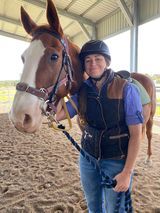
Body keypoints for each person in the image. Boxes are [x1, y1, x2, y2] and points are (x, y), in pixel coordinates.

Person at [56, 40, 143, 212]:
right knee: (93, 206)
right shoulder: (82, 91)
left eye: (98, 59)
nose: (93, 63)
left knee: (115, 209)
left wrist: (127, 173)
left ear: (107, 62)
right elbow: (58, 114)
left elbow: (136, 135)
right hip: (88, 159)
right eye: (88, 60)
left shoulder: (127, 89)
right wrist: (59, 85)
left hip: (116, 161)